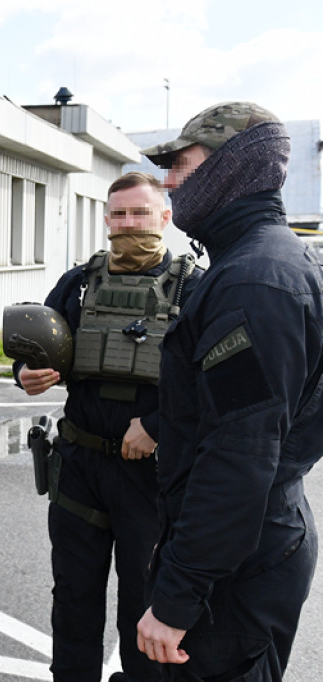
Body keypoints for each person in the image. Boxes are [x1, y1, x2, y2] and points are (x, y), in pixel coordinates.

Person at [136, 102, 323, 680]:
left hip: (236, 569)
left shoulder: (253, 282)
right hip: (247, 548)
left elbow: (240, 458)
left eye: (181, 166)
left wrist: (176, 599)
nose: (168, 183)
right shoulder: (263, 264)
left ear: (231, 165)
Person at [13, 172, 201, 682]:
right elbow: (38, 347)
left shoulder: (196, 288)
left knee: (143, 601)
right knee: (73, 596)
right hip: (79, 467)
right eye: (118, 214)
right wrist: (26, 372)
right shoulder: (77, 285)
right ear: (106, 218)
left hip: (151, 476)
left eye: (140, 213)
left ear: (165, 218)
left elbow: (215, 383)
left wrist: (159, 426)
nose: (128, 224)